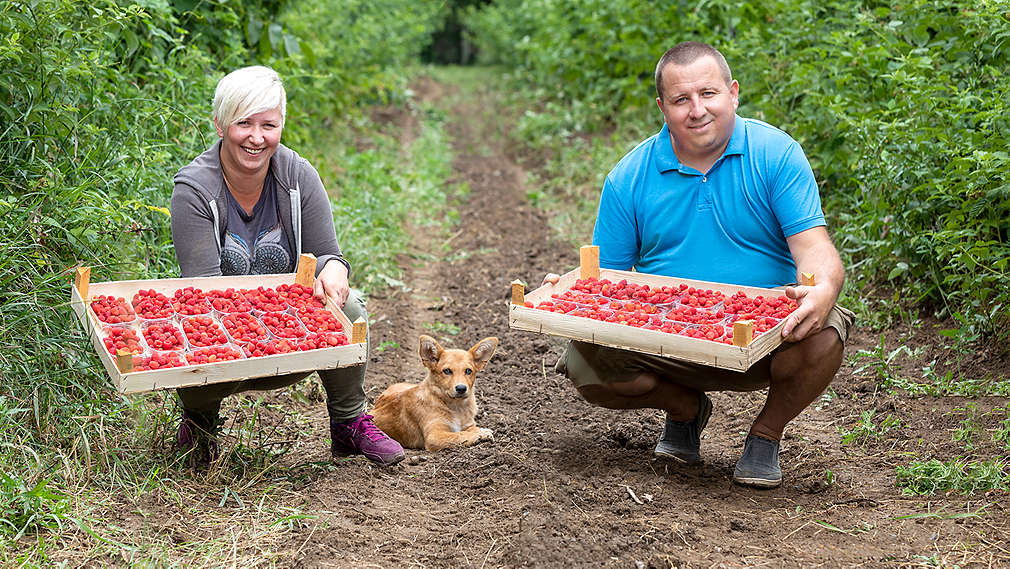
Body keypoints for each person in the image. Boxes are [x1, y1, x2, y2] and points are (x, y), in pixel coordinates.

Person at [547, 42, 854, 488]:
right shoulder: (629, 177)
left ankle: (765, 435)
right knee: (584, 360)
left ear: (732, 93)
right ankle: (685, 409)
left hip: (765, 337)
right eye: (680, 100)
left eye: (708, 94)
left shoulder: (776, 154)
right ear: (662, 108)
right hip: (666, 339)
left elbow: (815, 248)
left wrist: (824, 286)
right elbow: (606, 283)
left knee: (825, 330)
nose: (697, 110)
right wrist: (571, 293)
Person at [170, 66, 404, 467]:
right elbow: (203, 291)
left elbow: (328, 253)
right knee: (190, 326)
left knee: (349, 308)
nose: (256, 137)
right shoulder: (194, 190)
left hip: (288, 325)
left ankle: (348, 423)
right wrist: (261, 318)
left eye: (268, 125)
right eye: (244, 123)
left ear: (281, 126)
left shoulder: (298, 176)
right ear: (220, 125)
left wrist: (334, 270)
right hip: (223, 329)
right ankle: (200, 422)